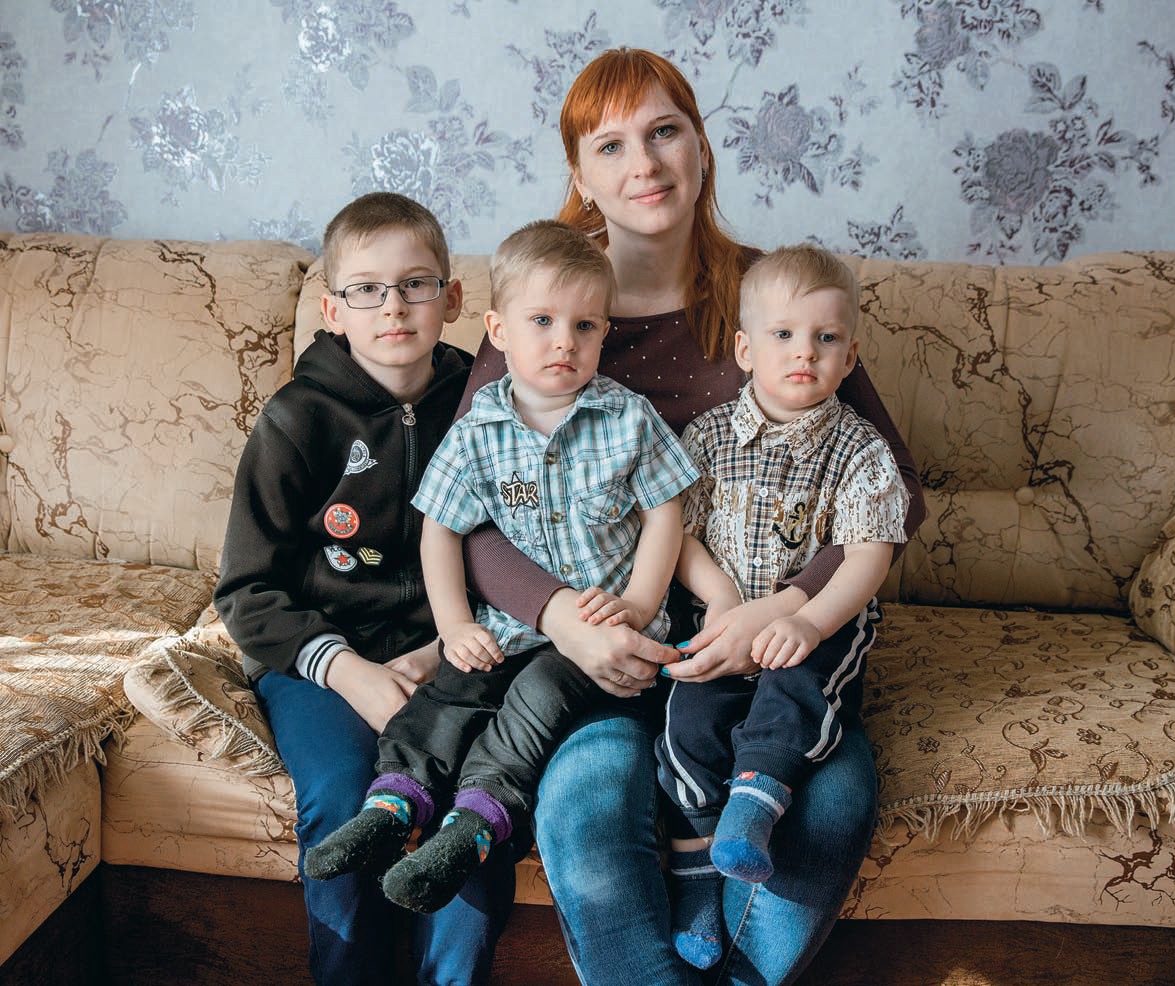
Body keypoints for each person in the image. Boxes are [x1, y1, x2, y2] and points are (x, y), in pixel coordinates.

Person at [458, 48, 926, 985]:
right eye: (611, 145)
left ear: (701, 146)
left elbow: (893, 489)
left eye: (664, 131)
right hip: (610, 651)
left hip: (768, 649)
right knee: (586, 811)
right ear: (579, 174)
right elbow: (469, 508)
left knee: (834, 804)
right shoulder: (546, 300)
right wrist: (560, 618)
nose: (645, 164)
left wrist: (778, 610)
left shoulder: (776, 298)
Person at [304, 219, 700, 917]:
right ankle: (393, 803)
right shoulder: (477, 430)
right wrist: (454, 626)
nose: (563, 342)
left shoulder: (628, 419)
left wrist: (640, 605)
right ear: (499, 330)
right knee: (452, 688)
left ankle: (478, 818)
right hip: (508, 626)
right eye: (542, 321)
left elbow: (666, 515)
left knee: (537, 697)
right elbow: (440, 531)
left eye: (584, 326)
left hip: (596, 638)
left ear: (603, 334)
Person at [213, 191, 514, 985]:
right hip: (321, 662)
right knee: (346, 795)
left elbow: (526, 545)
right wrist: (350, 673)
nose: (393, 307)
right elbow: (245, 589)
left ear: (453, 298)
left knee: (471, 810)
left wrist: (435, 655)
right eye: (367, 289)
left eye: (416, 284)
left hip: (454, 655)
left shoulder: (491, 407)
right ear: (332, 309)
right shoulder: (297, 418)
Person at [657, 244, 910, 969]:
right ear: (745, 349)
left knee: (798, 686)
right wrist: (722, 597)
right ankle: (698, 879)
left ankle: (755, 800)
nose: (805, 352)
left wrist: (805, 618)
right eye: (783, 335)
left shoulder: (859, 450)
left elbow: (867, 556)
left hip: (818, 620)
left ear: (849, 356)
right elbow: (679, 535)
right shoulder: (707, 437)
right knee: (685, 721)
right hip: (719, 616)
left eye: (826, 338)